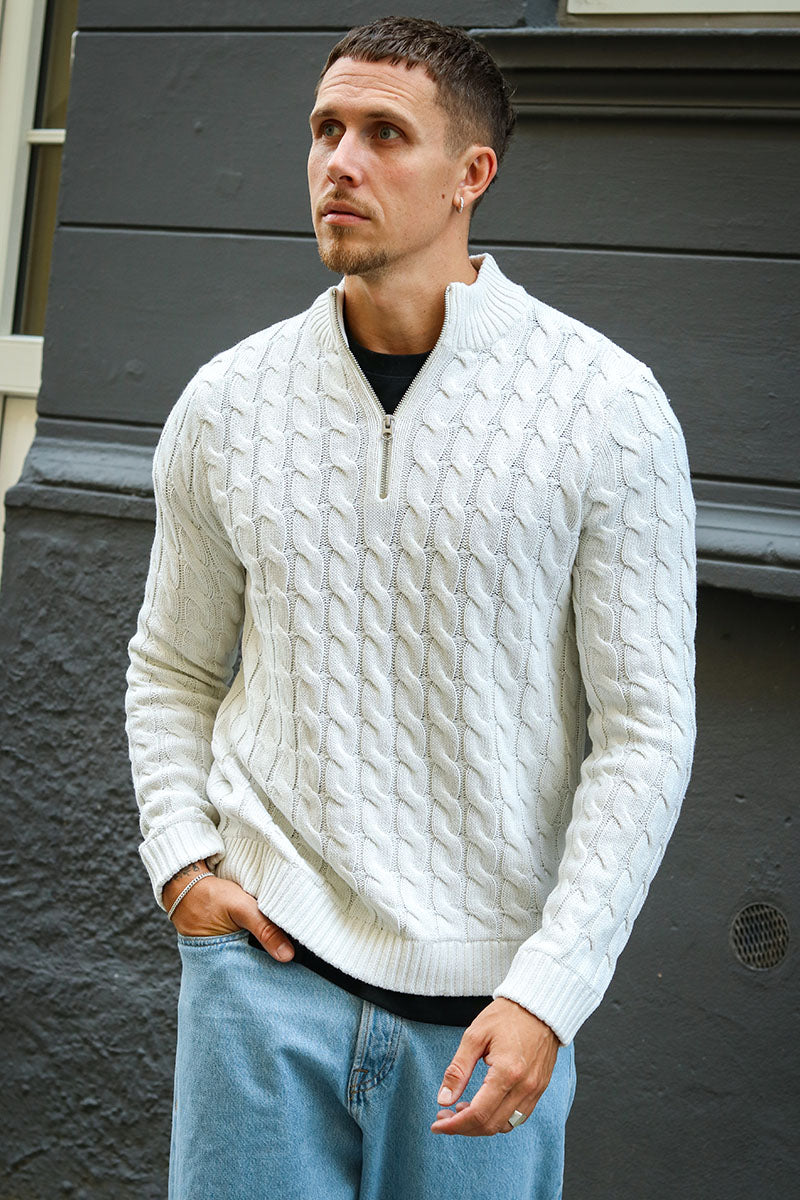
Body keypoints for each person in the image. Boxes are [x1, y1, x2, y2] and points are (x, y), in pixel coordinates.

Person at [125, 15, 696, 1200]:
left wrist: (550, 990)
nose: (339, 161)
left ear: (469, 174)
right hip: (261, 983)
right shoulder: (226, 404)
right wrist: (182, 861)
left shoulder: (605, 408)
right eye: (324, 129)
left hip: (485, 1018)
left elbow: (644, 731)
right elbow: (171, 665)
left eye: (384, 134)